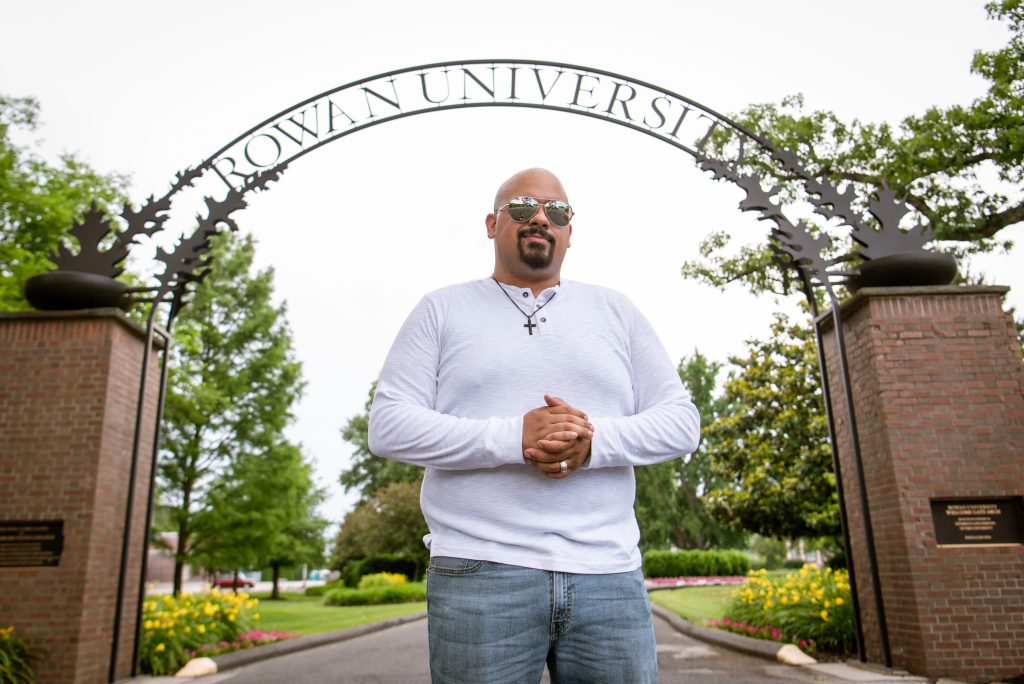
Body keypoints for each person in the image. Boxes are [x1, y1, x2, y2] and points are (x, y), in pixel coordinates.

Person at [368, 168, 700, 683]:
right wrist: (512, 438)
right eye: (522, 207)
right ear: (490, 223)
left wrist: (592, 445)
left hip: (607, 573)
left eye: (557, 211)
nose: (540, 218)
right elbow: (389, 425)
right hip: (479, 570)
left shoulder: (617, 312)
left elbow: (681, 423)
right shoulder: (441, 309)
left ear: (570, 231)